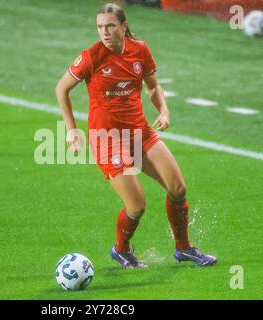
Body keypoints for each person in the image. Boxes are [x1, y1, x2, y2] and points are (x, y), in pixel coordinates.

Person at [55, 3, 217, 268]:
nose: (104, 32)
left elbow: (153, 87)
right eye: (99, 27)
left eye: (110, 26)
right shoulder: (91, 57)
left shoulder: (140, 50)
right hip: (107, 140)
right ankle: (121, 250)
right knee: (137, 205)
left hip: (140, 132)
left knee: (178, 189)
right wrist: (72, 130)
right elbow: (61, 89)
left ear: (123, 26)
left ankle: (184, 248)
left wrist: (163, 110)